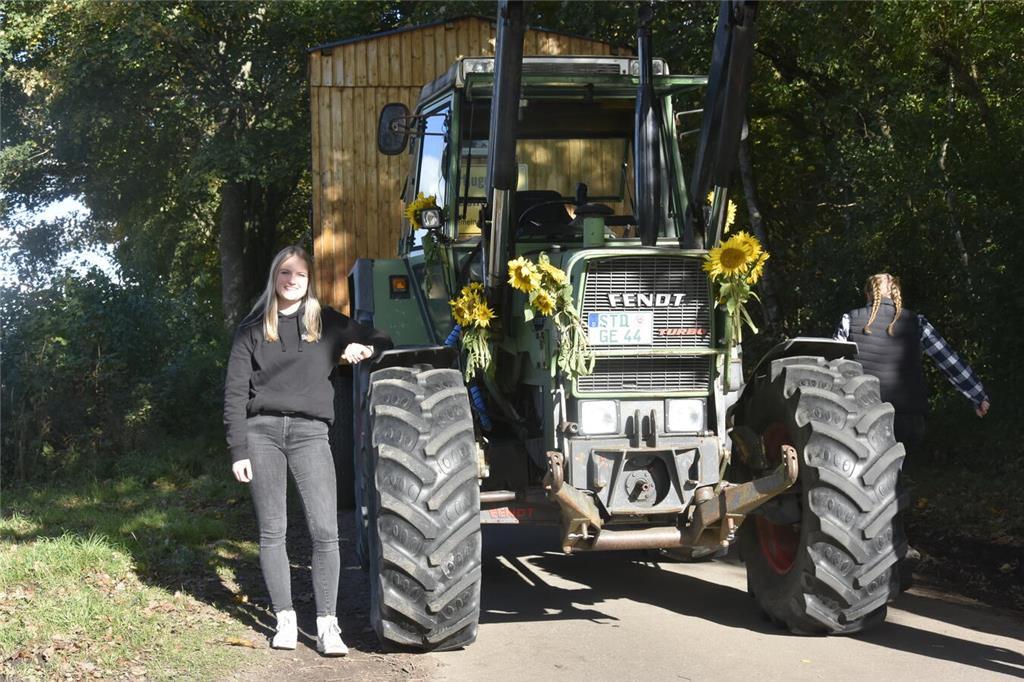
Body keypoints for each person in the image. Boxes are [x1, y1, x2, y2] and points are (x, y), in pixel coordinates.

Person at [223, 245, 391, 656]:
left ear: (309, 280)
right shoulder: (252, 328)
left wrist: (360, 349)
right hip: (261, 434)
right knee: (272, 531)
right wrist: (238, 449)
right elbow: (234, 392)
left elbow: (382, 338)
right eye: (285, 272)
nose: (292, 280)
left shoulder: (327, 323)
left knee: (325, 531)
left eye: (300, 274)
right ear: (274, 277)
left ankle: (327, 623)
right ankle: (284, 619)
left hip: (310, 434)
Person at [834, 273, 989, 454]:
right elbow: (949, 361)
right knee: (898, 466)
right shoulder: (917, 323)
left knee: (864, 469)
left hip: (862, 419)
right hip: (909, 420)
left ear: (867, 294)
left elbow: (834, 367)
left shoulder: (850, 320)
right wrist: (978, 396)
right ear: (896, 294)